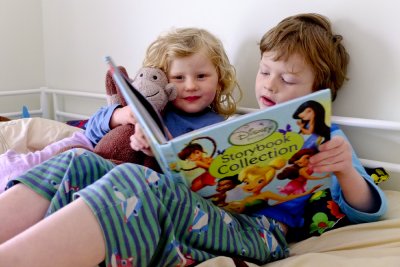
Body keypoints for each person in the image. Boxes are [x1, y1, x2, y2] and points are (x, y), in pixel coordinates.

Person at [0, 14, 388, 267]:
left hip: (261, 232)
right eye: (265, 72)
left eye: (286, 79)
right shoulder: (240, 127)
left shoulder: (326, 136)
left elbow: (370, 208)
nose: (269, 85)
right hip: (205, 209)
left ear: (319, 88)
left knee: (130, 183)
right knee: (80, 162)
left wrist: (344, 167)